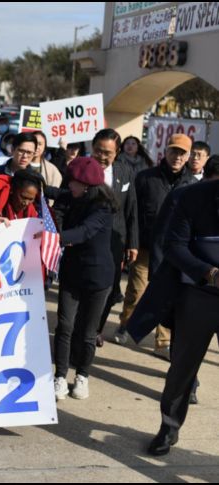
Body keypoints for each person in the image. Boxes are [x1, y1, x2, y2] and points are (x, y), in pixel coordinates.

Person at [144, 179, 219, 456]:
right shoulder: (192, 197)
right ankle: (169, 427)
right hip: (198, 294)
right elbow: (174, 246)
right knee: (183, 369)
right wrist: (209, 273)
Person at [116, 134, 196, 358]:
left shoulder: (193, 185)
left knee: (168, 297)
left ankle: (163, 341)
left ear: (188, 156)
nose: (177, 157)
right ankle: (126, 323)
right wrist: (130, 242)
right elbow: (131, 211)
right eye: (174, 151)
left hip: (175, 253)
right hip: (144, 246)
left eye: (182, 153)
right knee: (136, 291)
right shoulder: (145, 177)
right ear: (166, 151)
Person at [52, 157, 117, 401]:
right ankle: (59, 376)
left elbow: (84, 232)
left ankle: (82, 375)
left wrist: (53, 238)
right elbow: (55, 193)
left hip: (98, 277)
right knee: (65, 326)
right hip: (71, 273)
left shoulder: (103, 207)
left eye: (74, 183)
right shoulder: (71, 197)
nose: (70, 186)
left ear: (87, 186)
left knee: (88, 333)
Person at [84, 129, 138, 347]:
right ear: (92, 147)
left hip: (114, 240)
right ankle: (81, 327)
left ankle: (96, 329)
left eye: (108, 152)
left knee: (109, 287)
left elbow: (132, 209)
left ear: (117, 153)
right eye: (98, 150)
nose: (102, 156)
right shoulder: (79, 168)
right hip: (84, 238)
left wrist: (133, 243)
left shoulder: (124, 173)